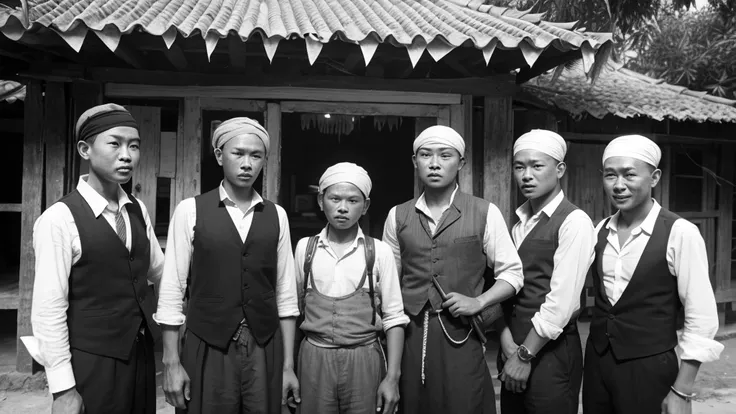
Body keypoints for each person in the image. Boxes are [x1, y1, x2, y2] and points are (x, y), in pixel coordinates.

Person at [22, 103, 165, 414]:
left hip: (139, 354)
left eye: (134, 145)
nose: (127, 154)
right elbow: (48, 311)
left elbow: (159, 271)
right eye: (115, 143)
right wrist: (64, 390)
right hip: (91, 362)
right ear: (85, 149)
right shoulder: (59, 219)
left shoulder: (137, 210)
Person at [155, 117, 300, 413]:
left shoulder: (277, 216)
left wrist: (288, 366)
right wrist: (171, 362)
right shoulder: (190, 210)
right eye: (238, 153)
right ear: (220, 155)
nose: (247, 163)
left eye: (256, 155)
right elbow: (171, 291)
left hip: (263, 345)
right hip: (208, 344)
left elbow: (286, 296)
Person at [382, 125, 525, 414]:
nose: (434, 163)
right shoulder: (398, 215)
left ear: (460, 163)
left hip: (462, 333)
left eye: (445, 156)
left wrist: (479, 301)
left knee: (464, 401)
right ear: (415, 161)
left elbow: (512, 274)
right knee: (414, 403)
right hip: (410, 333)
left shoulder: (484, 211)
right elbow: (389, 283)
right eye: (425, 155)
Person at [583, 135, 724, 414]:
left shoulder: (680, 233)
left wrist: (681, 391)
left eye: (630, 174)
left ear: (655, 177)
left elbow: (701, 318)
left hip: (650, 367)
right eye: (610, 175)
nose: (619, 185)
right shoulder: (598, 230)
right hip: (598, 363)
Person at [293, 162, 408, 414]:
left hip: (364, 357)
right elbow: (293, 308)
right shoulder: (305, 249)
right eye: (334, 198)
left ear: (365, 206)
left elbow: (394, 317)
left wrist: (392, 378)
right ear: (321, 200)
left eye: (353, 200)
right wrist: (287, 368)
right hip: (314, 358)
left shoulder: (379, 251)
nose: (343, 207)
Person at [497, 129, 595, 414]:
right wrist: (507, 346)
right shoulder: (518, 223)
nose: (526, 175)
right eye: (519, 166)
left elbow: (561, 303)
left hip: (550, 353)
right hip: (513, 349)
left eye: (537, 166)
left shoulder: (574, 222)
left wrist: (524, 355)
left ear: (560, 169)